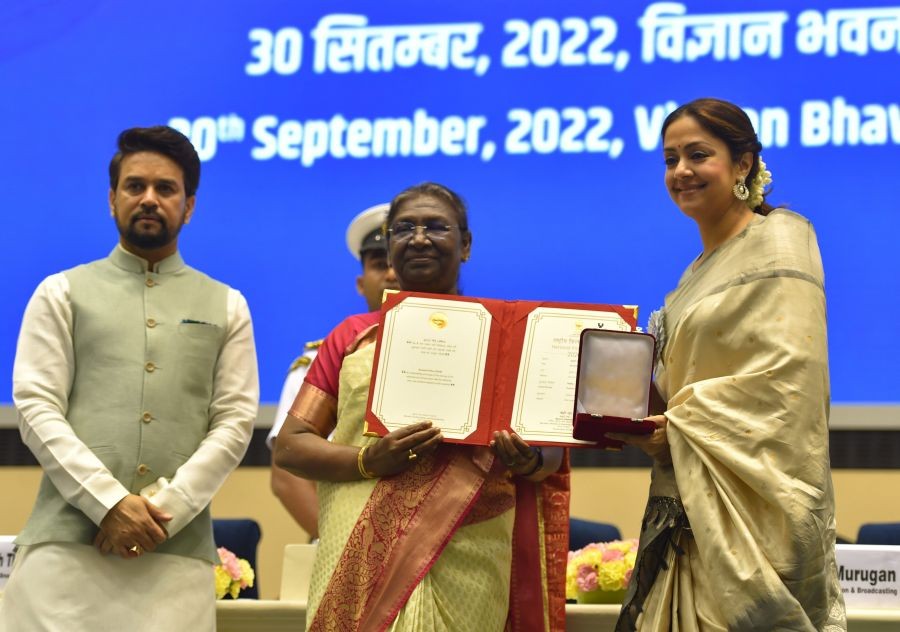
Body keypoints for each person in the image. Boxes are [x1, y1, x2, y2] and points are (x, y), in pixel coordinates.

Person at [274, 182, 569, 631]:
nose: (418, 238)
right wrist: (366, 460)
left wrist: (528, 460)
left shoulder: (508, 335)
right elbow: (290, 447)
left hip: (470, 554)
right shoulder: (351, 337)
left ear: (465, 245)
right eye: (403, 229)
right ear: (390, 248)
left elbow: (548, 456)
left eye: (436, 226)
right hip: (359, 549)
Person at [0, 126, 258, 631]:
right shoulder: (61, 293)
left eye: (166, 189)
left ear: (189, 206)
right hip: (64, 559)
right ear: (112, 199)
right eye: (134, 185)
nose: (148, 198)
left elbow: (234, 422)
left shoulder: (228, 305)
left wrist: (162, 511)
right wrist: (110, 504)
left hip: (174, 561)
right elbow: (35, 407)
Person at [610, 98, 846, 631]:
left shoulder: (782, 241)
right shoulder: (692, 276)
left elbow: (787, 382)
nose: (681, 171)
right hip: (684, 516)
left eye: (698, 155)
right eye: (670, 159)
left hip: (754, 524)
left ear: (743, 165)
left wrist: (675, 425)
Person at [267, 203, 398, 539]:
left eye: (399, 264)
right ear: (360, 282)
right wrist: (339, 545)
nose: (391, 275)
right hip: (342, 543)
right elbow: (287, 476)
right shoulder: (320, 361)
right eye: (379, 264)